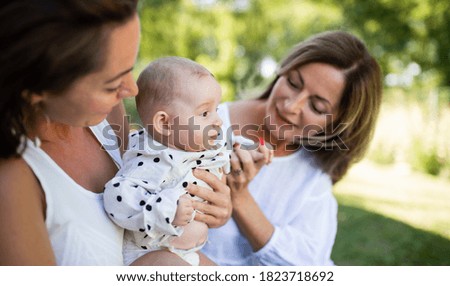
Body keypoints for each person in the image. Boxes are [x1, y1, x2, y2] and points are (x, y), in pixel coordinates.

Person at [0, 0, 232, 266]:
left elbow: (154, 186)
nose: (132, 90)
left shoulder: (104, 115)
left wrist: (213, 210)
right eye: (112, 83)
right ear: (38, 89)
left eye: (129, 69)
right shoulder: (12, 182)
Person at [202, 30, 383, 265]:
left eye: (317, 106)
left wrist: (240, 197)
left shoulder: (313, 176)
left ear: (337, 124)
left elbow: (307, 265)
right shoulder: (207, 123)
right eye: (293, 82)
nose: (290, 106)